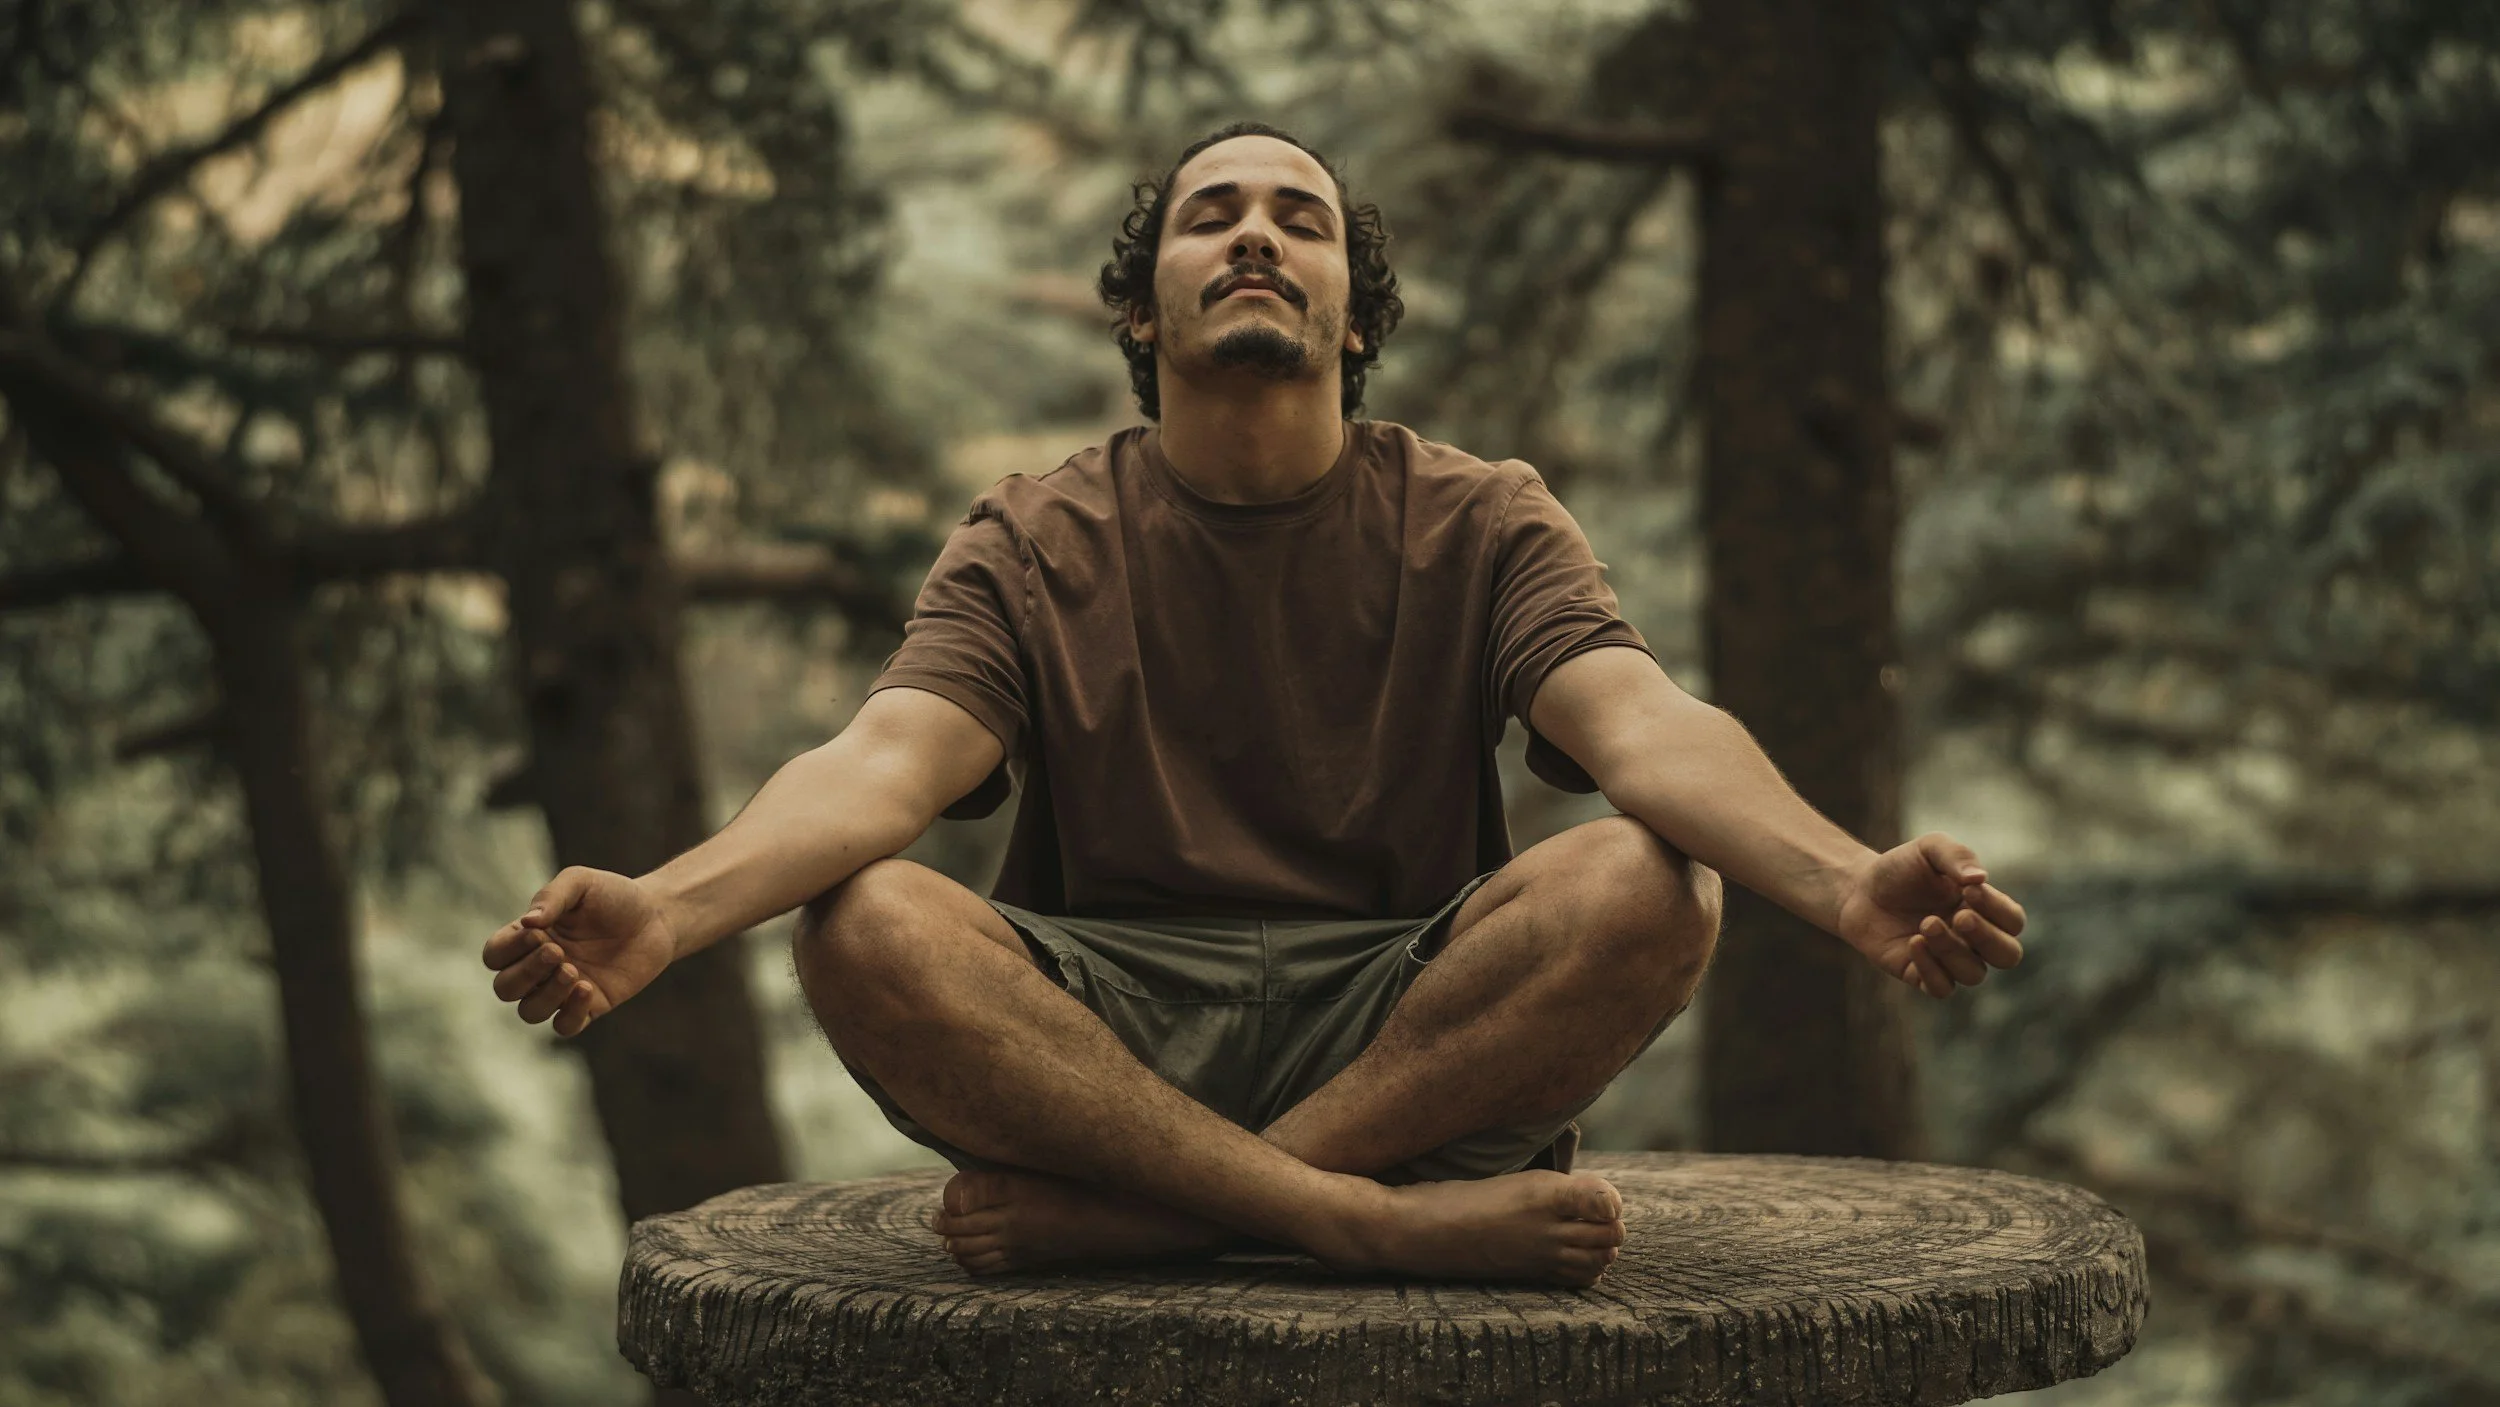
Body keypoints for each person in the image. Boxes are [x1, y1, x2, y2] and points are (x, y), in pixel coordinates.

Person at [481, 122, 2027, 1288]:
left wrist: (1843, 879)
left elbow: (1647, 726)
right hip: (1105, 1046)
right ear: (1143, 315)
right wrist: (672, 909)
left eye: (1303, 219)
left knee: (1646, 880)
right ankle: (1347, 1216)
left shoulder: (1481, 516)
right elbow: (882, 766)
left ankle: (1167, 1217)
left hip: (1404, 1023)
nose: (1256, 235)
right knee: (868, 919)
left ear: (1354, 314)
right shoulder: (1033, 534)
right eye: (1210, 216)